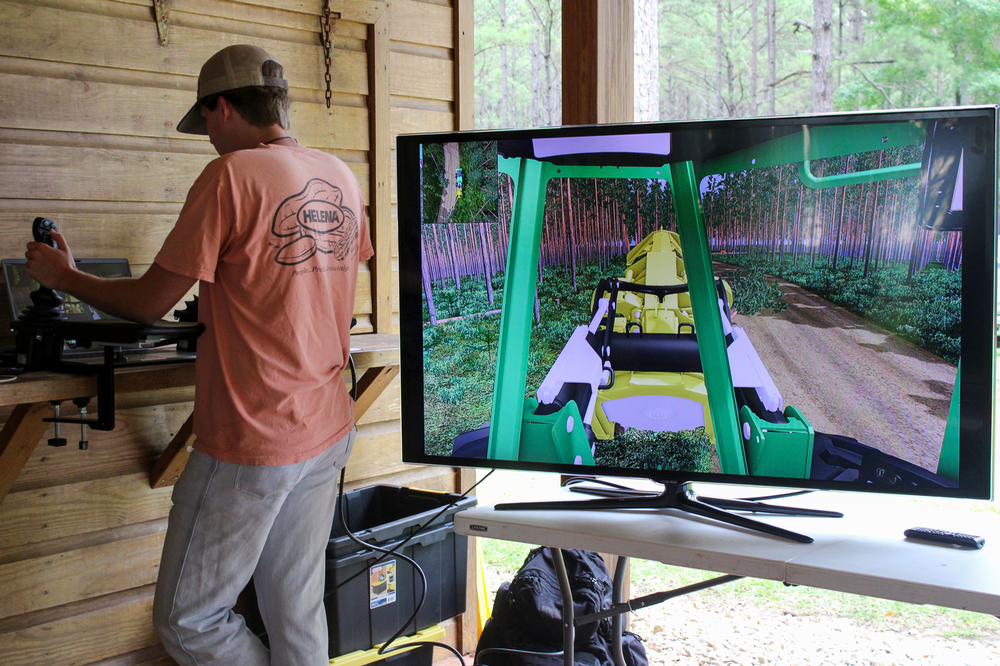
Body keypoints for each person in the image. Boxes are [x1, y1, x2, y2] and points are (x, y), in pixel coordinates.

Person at [25, 44, 373, 666]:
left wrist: (64, 275)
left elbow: (149, 303)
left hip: (254, 436)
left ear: (222, 109)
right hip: (327, 426)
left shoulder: (231, 175)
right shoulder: (339, 176)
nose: (208, 136)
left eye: (206, 121)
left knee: (188, 620)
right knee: (295, 612)